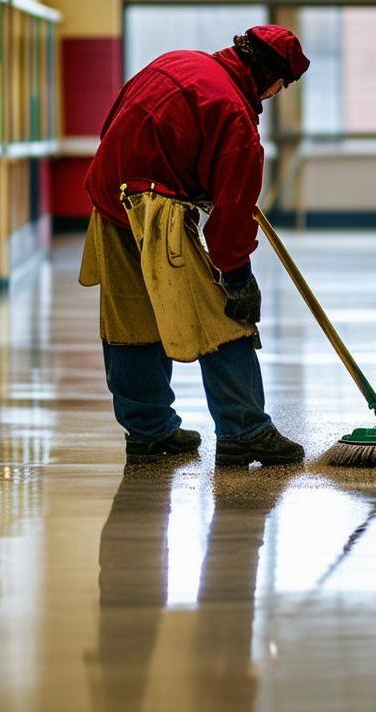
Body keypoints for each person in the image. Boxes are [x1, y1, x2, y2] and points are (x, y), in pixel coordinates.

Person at [79, 24, 309, 467]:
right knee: (220, 317)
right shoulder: (238, 121)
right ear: (270, 78)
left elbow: (119, 120)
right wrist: (238, 279)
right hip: (154, 204)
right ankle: (245, 430)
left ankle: (149, 431)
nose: (276, 95)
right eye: (280, 87)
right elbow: (231, 219)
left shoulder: (178, 60)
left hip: (109, 197)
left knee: (130, 319)